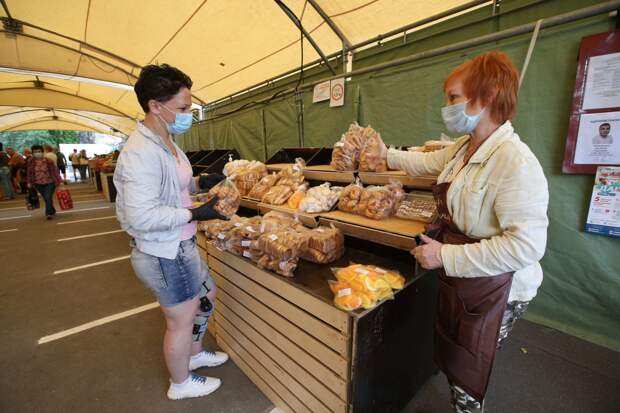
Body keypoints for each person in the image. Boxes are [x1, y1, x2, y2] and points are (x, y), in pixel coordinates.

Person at [382, 51, 549, 412]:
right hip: (468, 280)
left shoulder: (514, 162)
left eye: (454, 98)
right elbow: (425, 162)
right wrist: (387, 154)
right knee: (456, 354)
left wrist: (444, 255)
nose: (448, 107)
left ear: (486, 97)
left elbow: (525, 246)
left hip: (500, 288)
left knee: (469, 369)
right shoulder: (464, 147)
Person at [114, 64, 229, 400]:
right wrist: (194, 211)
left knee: (206, 297)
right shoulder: (140, 153)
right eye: (182, 108)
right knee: (181, 319)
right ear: (155, 105)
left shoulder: (166, 141)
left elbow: (171, 186)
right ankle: (180, 383)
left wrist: (200, 182)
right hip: (163, 251)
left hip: (182, 242)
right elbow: (142, 214)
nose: (187, 114)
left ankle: (194, 354)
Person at [27, 144, 62, 219]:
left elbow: (55, 171)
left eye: (39, 151)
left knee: (47, 196)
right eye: (35, 152)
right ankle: (52, 210)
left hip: (50, 182)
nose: (37, 153)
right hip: (38, 183)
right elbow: (29, 172)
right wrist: (29, 182)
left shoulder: (48, 161)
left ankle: (48, 213)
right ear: (32, 153)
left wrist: (59, 181)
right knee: (46, 198)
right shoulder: (31, 161)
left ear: (42, 152)